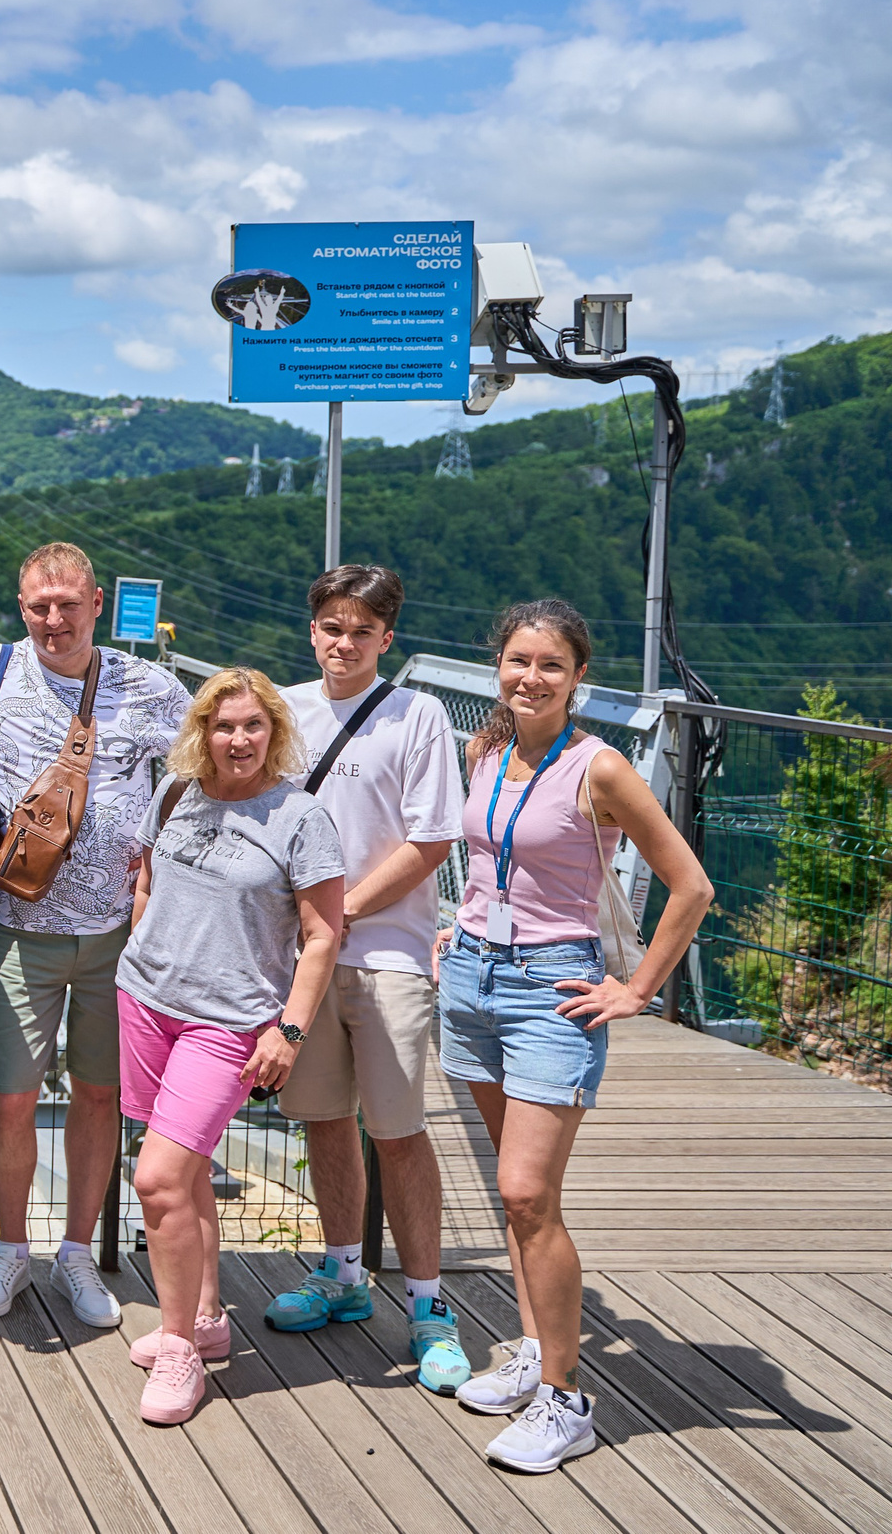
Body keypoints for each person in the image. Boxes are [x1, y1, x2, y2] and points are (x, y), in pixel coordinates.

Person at [0, 541, 190, 1328]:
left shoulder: (149, 685)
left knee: (99, 1096)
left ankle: (78, 1252)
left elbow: (207, 768)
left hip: (122, 934)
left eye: (66, 603)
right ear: (21, 607)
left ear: (96, 602)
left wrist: (163, 853)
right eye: (37, 606)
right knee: (13, 1097)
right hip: (21, 929)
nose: (53, 619)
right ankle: (13, 1248)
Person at [445, 601, 710, 1473]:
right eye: (518, 660)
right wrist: (463, 924)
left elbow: (691, 887)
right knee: (514, 1192)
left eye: (550, 665)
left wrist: (636, 988)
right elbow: (486, 860)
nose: (531, 677)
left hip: (551, 990)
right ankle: (532, 1347)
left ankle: (566, 1396)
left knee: (526, 1195)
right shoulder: (483, 749)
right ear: (499, 667)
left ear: (578, 678)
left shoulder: (601, 769)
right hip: (473, 976)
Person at [120, 668, 344, 1426]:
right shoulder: (176, 792)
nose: (239, 739)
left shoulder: (300, 816)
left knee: (156, 1179)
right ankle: (207, 1314)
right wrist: (143, 940)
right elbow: (146, 878)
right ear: (202, 732)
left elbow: (321, 935)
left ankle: (180, 1344)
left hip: (228, 1021)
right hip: (148, 1001)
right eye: (224, 726)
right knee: (182, 1177)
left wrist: (287, 1029)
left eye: (253, 725)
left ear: (274, 730)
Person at [267, 565, 471, 1393]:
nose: (343, 643)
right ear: (311, 630)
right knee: (322, 1119)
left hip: (385, 953)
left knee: (396, 1128)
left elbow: (430, 841)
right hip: (303, 959)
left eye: (361, 631)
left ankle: (429, 1305)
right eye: (330, 628)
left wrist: (337, 912)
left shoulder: (417, 714)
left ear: (387, 638)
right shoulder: (283, 709)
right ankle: (344, 1273)